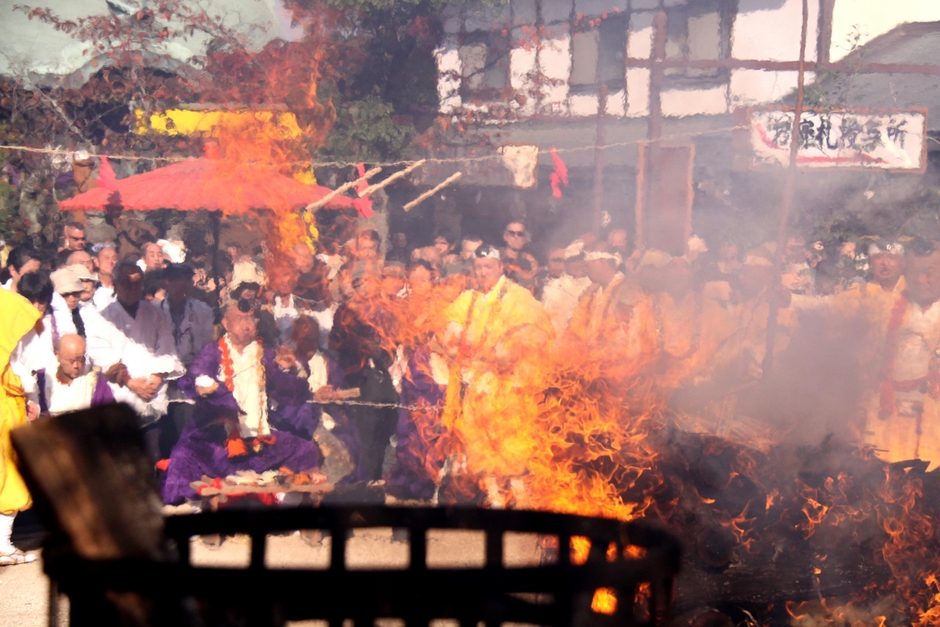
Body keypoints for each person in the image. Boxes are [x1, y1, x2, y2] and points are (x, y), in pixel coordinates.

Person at [162, 301, 324, 504]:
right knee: (184, 455)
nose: (247, 324)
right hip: (220, 437)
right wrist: (202, 384)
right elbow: (196, 373)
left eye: (251, 319)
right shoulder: (212, 351)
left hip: (259, 437)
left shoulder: (265, 354)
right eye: (240, 319)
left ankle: (285, 498)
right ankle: (195, 508)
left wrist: (292, 370)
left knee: (305, 450)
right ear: (226, 323)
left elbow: (291, 392)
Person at [439, 245, 554, 506]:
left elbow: (538, 331)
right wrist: (455, 340)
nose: (482, 273)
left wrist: (507, 351)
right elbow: (450, 326)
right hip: (476, 384)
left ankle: (521, 498)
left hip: (509, 385)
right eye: (478, 268)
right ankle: (494, 498)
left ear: (500, 267)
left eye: (488, 267)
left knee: (511, 444)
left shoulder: (519, 296)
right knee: (479, 443)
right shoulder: (467, 298)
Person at [86, 261, 185, 459]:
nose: (132, 288)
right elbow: (101, 355)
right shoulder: (103, 317)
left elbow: (166, 345)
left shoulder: (156, 313)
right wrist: (131, 382)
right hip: (121, 391)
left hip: (153, 391)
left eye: (137, 283)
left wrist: (156, 378)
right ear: (114, 284)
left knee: (154, 454)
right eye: (126, 283)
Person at [863, 239, 940, 468]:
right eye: (913, 272)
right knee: (886, 474)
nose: (919, 280)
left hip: (932, 414)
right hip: (888, 410)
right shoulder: (884, 305)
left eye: (930, 272)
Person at [0, 288, 42, 566]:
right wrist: (32, 395)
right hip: (7, 403)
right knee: (10, 473)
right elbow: (25, 364)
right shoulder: (14, 306)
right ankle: (2, 543)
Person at [160, 264, 215, 444]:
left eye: (186, 280)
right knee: (163, 439)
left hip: (190, 383)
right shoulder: (154, 311)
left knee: (186, 437)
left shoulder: (203, 310)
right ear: (166, 282)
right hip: (161, 383)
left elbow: (207, 349)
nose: (182, 285)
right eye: (177, 280)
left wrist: (187, 377)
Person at [24, 334, 115, 418]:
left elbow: (110, 416)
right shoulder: (40, 382)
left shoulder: (97, 383)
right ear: (58, 355)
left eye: (80, 359)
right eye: (71, 361)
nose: (76, 365)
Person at [542, 242, 593, 332]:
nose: (579, 264)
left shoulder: (594, 282)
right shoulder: (552, 291)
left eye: (581, 259)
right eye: (574, 260)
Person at [500, 221, 540, 292]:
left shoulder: (530, 263)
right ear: (505, 236)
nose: (516, 237)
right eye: (512, 233)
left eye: (520, 234)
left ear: (525, 239)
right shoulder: (496, 257)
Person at [92, 243, 118, 311]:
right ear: (96, 262)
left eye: (114, 258)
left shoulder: (122, 287)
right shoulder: (91, 284)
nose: (110, 261)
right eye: (106, 258)